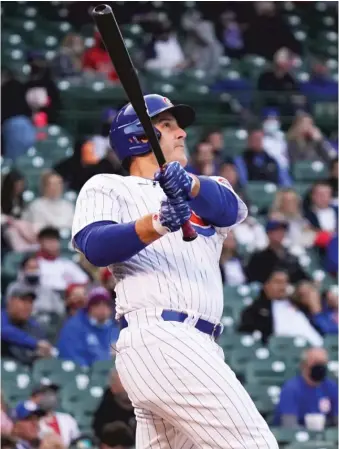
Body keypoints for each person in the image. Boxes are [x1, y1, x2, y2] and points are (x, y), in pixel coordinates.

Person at [71, 94, 278, 448]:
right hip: (161, 335)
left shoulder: (203, 188)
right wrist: (156, 223)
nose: (181, 133)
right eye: (167, 126)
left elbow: (230, 210)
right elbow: (95, 246)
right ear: (138, 136)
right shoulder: (109, 185)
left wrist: (191, 185)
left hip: (198, 344)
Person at [238, 270, 323, 346]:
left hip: (314, 347)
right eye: (278, 282)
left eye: (285, 282)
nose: (283, 287)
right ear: (266, 285)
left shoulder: (299, 306)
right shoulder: (255, 311)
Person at [274, 348, 338, 427]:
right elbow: (288, 425)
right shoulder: (291, 389)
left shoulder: (332, 387)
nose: (320, 366)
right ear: (303, 365)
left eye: (323, 363)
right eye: (316, 362)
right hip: (297, 436)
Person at [57, 287, 118, 368]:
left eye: (105, 304)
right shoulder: (74, 327)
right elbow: (70, 355)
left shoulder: (113, 328)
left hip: (109, 374)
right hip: (82, 374)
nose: (102, 308)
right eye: (96, 304)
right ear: (89, 307)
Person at [1, 285, 54, 365]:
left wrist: (43, 354)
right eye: (23, 300)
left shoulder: (34, 326)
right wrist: (35, 343)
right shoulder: (2, 316)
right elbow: (4, 331)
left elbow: (44, 348)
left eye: (30, 302)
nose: (27, 306)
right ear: (10, 301)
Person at [246, 219, 309, 284]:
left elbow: (301, 278)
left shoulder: (291, 257)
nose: (281, 234)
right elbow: (253, 281)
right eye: (277, 231)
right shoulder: (259, 258)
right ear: (269, 233)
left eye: (282, 231)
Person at [36, 227, 89, 294]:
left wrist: (70, 288)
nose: (52, 244)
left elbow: (84, 280)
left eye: (54, 240)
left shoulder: (66, 264)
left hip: (64, 298)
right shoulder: (34, 263)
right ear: (41, 242)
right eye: (48, 240)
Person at [29, 381, 80, 447]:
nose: (50, 396)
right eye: (45, 393)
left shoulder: (67, 419)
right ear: (35, 397)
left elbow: (78, 441)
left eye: (52, 393)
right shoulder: (30, 421)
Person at [1, 67, 36, 161]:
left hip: (15, 126)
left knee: (15, 162)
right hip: (26, 125)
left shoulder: (9, 89)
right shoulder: (21, 86)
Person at [257, 47, 303, 114]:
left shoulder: (289, 78)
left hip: (287, 108)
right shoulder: (265, 77)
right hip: (269, 108)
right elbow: (263, 95)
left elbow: (295, 94)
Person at [93, 369, 135, 442]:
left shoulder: (148, 403)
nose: (130, 385)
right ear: (113, 388)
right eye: (124, 382)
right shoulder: (105, 410)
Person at [1, 170, 38, 252]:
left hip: (21, 227)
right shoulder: (2, 199)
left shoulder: (20, 200)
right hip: (6, 229)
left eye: (21, 185)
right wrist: (9, 220)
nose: (20, 187)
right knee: (12, 231)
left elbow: (24, 215)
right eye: (17, 185)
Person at [181, 9, 223, 77]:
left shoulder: (215, 47)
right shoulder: (191, 41)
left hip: (208, 75)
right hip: (193, 75)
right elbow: (188, 58)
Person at [25, 52, 60, 124]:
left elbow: (54, 104)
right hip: (28, 117)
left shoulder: (49, 84)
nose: (35, 64)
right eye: (33, 61)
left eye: (38, 61)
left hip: (47, 118)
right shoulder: (26, 85)